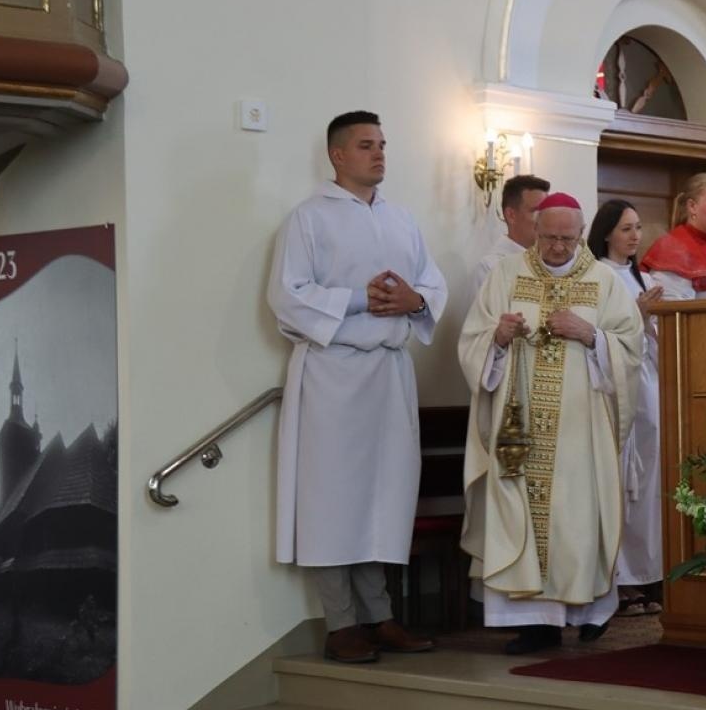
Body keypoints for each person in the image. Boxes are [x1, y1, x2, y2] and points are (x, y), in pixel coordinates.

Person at [268, 110, 447, 664]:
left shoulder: (401, 220)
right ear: (337, 155)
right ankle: (341, 622)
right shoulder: (309, 218)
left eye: (383, 144)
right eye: (367, 145)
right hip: (333, 373)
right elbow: (287, 295)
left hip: (389, 373)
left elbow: (431, 284)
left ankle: (380, 615)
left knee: (382, 495)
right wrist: (356, 300)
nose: (379, 154)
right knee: (332, 499)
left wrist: (414, 301)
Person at [459, 193, 643, 655]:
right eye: (549, 238)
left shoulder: (603, 282)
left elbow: (631, 347)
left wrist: (591, 335)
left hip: (581, 429)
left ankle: (585, 611)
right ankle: (534, 624)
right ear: (535, 232)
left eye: (567, 238)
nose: (558, 247)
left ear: (581, 235)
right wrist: (498, 338)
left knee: (578, 520)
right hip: (519, 425)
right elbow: (472, 340)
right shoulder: (506, 274)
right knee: (519, 513)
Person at [586, 199, 665, 618]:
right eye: (626, 229)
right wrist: (638, 313)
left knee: (649, 486)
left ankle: (650, 573)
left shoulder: (643, 277)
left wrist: (652, 319)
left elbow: (655, 339)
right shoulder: (595, 275)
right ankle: (619, 579)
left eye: (637, 227)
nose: (635, 236)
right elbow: (597, 333)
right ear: (606, 233)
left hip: (648, 384)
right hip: (614, 387)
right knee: (620, 483)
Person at [474, 174, 550, 287]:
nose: (547, 220)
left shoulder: (553, 261)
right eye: (537, 212)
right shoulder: (491, 267)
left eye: (547, 212)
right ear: (511, 215)